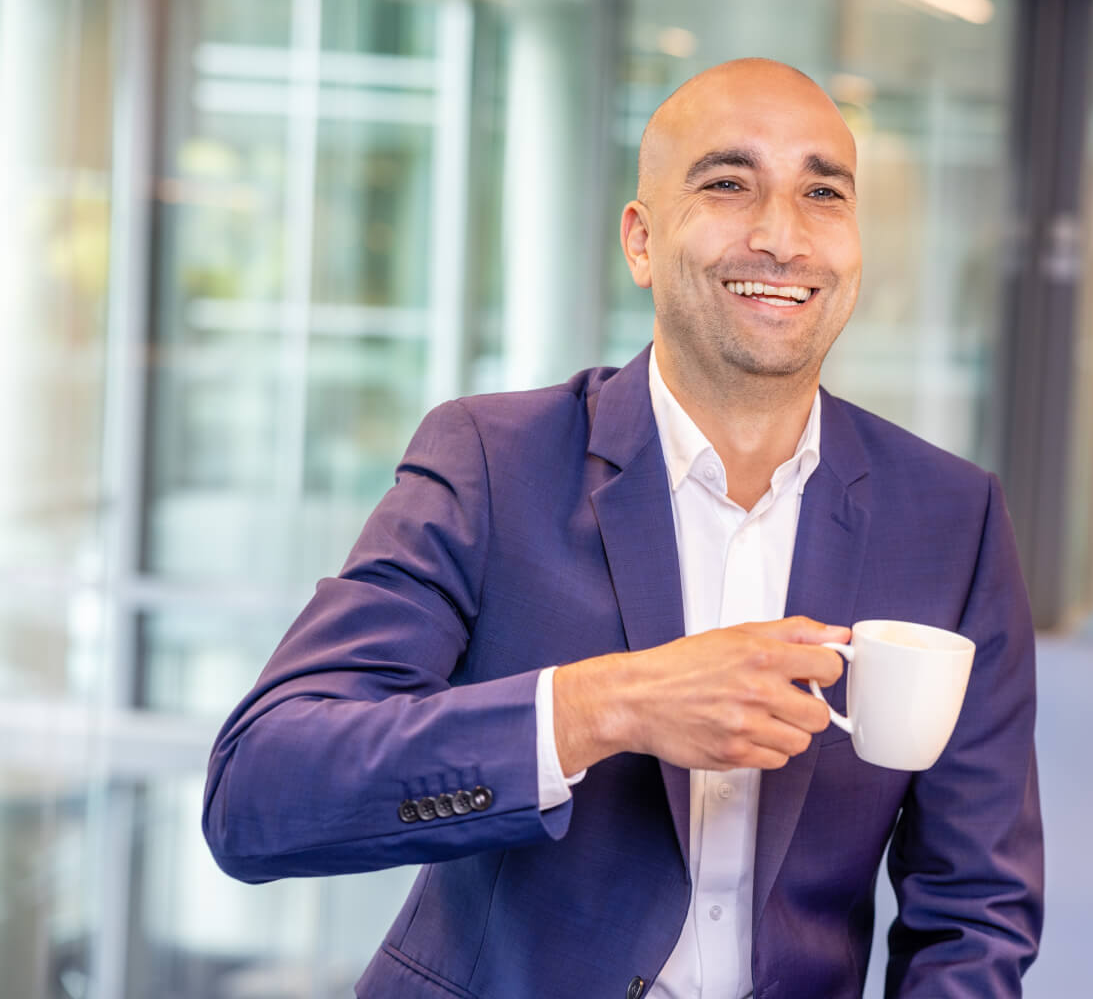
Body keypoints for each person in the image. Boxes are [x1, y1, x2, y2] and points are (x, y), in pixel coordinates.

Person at [202, 58, 1042, 998]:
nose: (781, 235)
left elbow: (976, 908)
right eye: (728, 184)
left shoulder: (951, 517)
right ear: (640, 242)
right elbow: (258, 798)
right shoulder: (491, 460)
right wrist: (607, 706)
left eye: (821, 193)